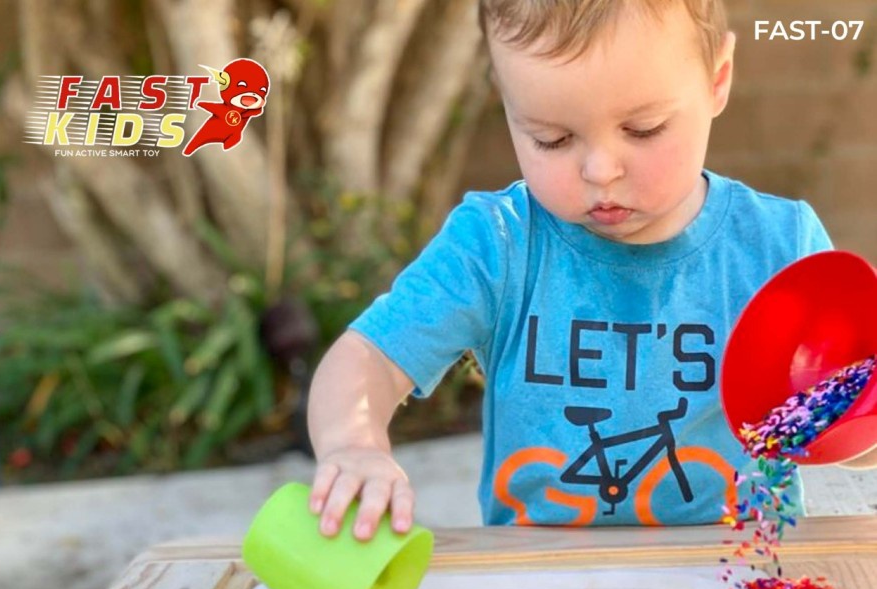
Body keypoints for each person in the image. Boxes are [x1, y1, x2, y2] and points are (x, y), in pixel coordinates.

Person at [306, 0, 836, 540]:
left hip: (740, 580)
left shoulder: (779, 249)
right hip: (545, 580)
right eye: (551, 139)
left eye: (643, 128)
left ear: (717, 80)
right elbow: (369, 355)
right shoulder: (498, 245)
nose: (600, 170)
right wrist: (354, 446)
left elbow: (857, 416)